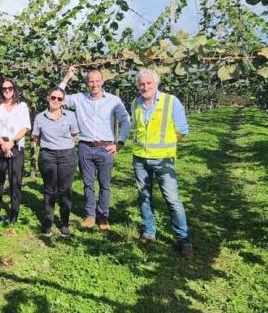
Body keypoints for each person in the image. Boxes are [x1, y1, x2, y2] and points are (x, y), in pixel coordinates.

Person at [130, 68, 194, 259]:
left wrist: (166, 146)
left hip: (163, 159)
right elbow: (136, 128)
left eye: (149, 83)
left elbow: (182, 130)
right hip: (140, 158)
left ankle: (184, 240)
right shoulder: (135, 103)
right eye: (142, 84)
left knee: (172, 200)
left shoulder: (170, 101)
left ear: (156, 84)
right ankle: (149, 231)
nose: (145, 87)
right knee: (144, 196)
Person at [60, 66, 130, 230]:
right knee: (88, 184)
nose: (94, 84)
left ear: (102, 81)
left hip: (106, 148)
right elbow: (58, 97)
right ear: (87, 83)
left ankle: (103, 216)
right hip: (85, 147)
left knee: (105, 184)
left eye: (97, 81)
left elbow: (125, 121)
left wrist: (120, 143)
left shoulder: (114, 100)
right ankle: (90, 215)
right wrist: (67, 77)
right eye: (91, 81)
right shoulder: (79, 99)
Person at [32, 87, 80, 237]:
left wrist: (63, 145)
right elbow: (35, 138)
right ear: (48, 98)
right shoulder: (40, 117)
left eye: (59, 99)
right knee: (49, 190)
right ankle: (48, 221)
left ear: (63, 101)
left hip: (67, 155)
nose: (56, 101)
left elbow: (74, 135)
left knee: (65, 190)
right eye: (53, 97)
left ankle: (64, 222)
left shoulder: (71, 116)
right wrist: (50, 146)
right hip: (48, 156)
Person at [0, 78, 31, 224]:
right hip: (0, 145)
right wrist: (3, 144)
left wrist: (11, 143)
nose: (7, 91)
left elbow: (25, 127)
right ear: (1, 90)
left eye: (10, 88)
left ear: (14, 89)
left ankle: (14, 213)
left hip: (16, 145)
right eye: (4, 88)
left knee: (15, 181)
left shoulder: (22, 106)